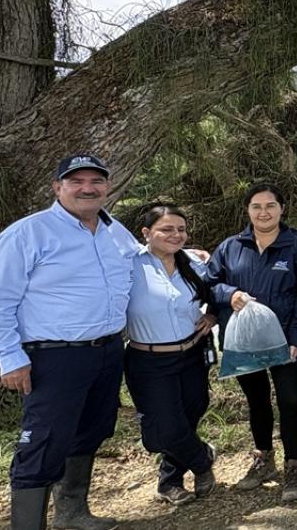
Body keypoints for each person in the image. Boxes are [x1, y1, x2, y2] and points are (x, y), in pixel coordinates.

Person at [0, 154, 139, 530]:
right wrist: (8, 356)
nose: (87, 188)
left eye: (96, 181)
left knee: (91, 430)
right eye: (76, 181)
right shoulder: (28, 234)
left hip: (108, 351)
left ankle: (72, 512)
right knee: (43, 442)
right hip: (53, 358)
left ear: (107, 187)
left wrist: (188, 259)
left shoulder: (116, 232)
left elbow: (141, 266)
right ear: (57, 187)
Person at [206, 183, 297, 502]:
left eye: (270, 206)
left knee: (291, 401)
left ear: (281, 209)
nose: (263, 212)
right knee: (257, 401)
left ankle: (293, 465)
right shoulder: (230, 247)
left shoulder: (295, 246)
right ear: (248, 210)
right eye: (256, 206)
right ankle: (264, 459)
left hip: (282, 340)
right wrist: (230, 294)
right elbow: (209, 286)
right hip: (243, 340)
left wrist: (296, 338)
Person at [123, 204, 219, 506]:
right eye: (166, 229)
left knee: (189, 414)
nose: (175, 235)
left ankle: (169, 482)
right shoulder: (128, 264)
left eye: (181, 229)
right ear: (146, 233)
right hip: (148, 360)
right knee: (162, 429)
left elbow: (220, 288)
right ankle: (203, 459)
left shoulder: (194, 262)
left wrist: (213, 315)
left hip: (192, 353)